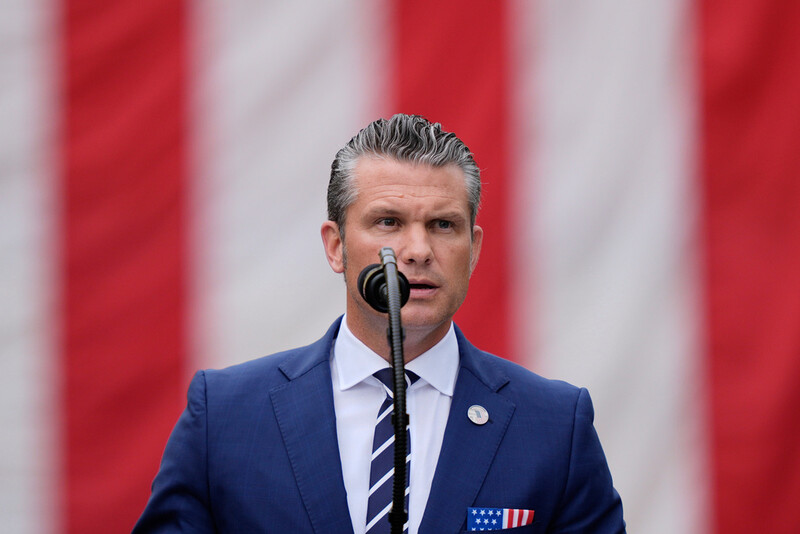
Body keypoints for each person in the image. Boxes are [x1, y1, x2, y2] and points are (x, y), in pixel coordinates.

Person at [133, 114, 625, 533]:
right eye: (388, 221)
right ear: (335, 246)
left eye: (443, 225)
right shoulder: (226, 416)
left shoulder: (556, 426)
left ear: (473, 250)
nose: (417, 251)